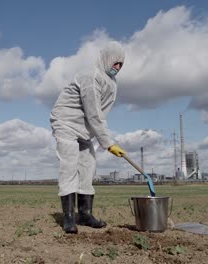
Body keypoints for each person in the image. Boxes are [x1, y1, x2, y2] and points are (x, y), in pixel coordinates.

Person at [50, 41, 127, 234]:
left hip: (84, 129)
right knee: (69, 165)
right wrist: (108, 143)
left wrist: (101, 136)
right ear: (107, 59)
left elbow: (101, 114)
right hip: (66, 122)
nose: (117, 67)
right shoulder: (91, 77)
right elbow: (94, 112)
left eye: (121, 65)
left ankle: (84, 214)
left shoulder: (112, 83)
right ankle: (68, 218)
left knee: (88, 166)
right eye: (115, 63)